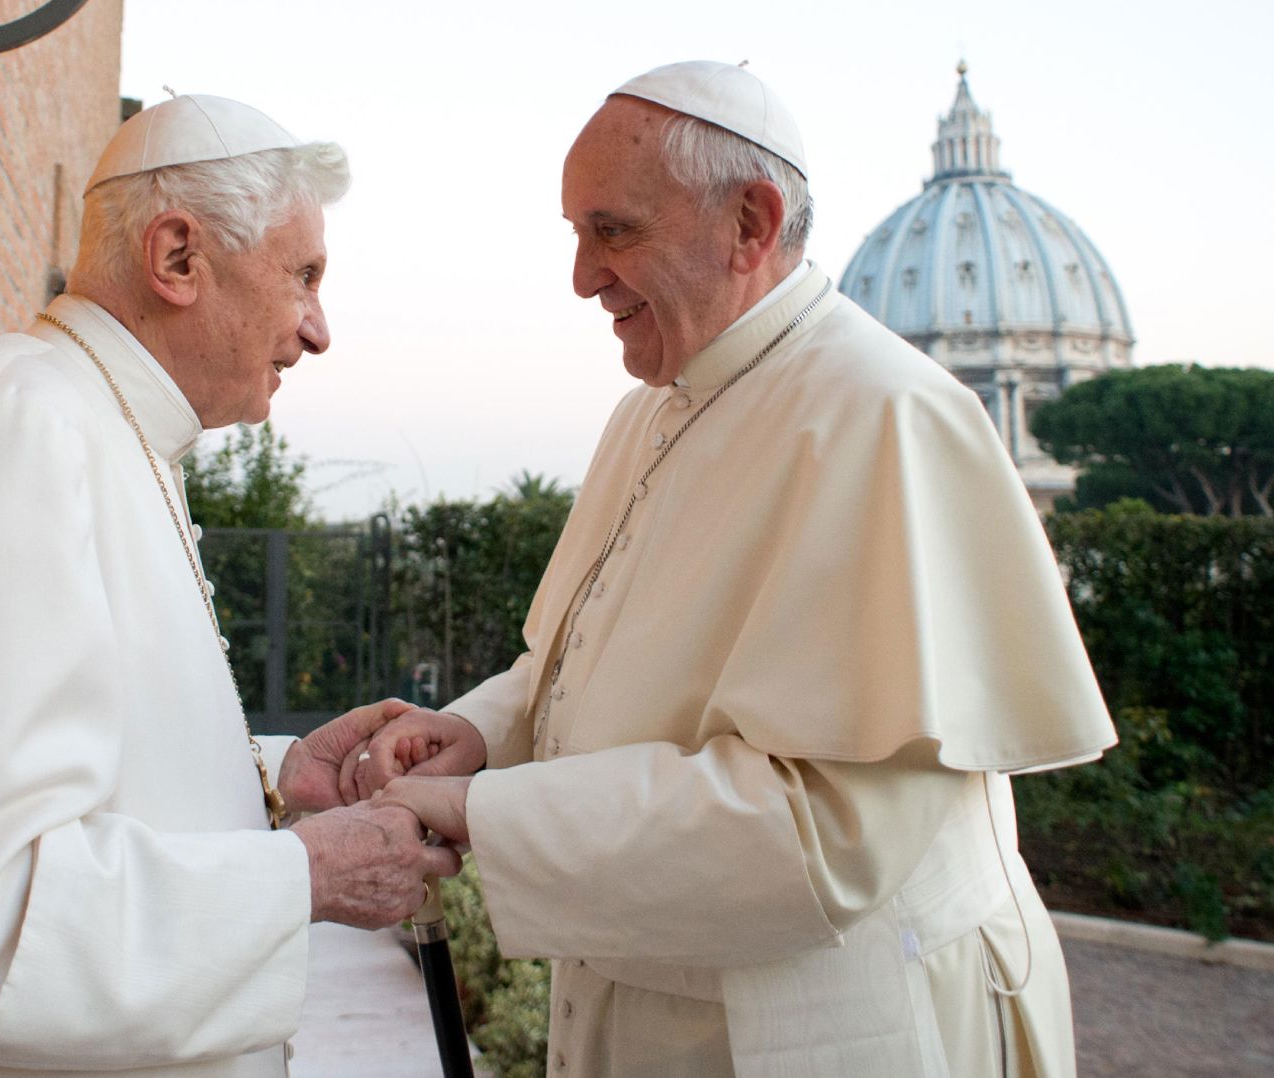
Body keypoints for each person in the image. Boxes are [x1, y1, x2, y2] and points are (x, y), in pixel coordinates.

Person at [354, 61, 1117, 1077]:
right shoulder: (653, 409)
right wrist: (476, 736)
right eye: (576, 234)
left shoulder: (882, 415)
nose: (581, 275)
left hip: (829, 1022)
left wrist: (476, 813)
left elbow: (826, 829)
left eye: (612, 230)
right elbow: (583, 661)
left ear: (749, 224)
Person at [0, 93, 459, 1078]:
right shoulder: (24, 433)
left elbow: (76, 770)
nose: (317, 329)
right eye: (302, 275)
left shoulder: (92, 430)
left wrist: (277, 778)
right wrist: (302, 876)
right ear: (178, 257)